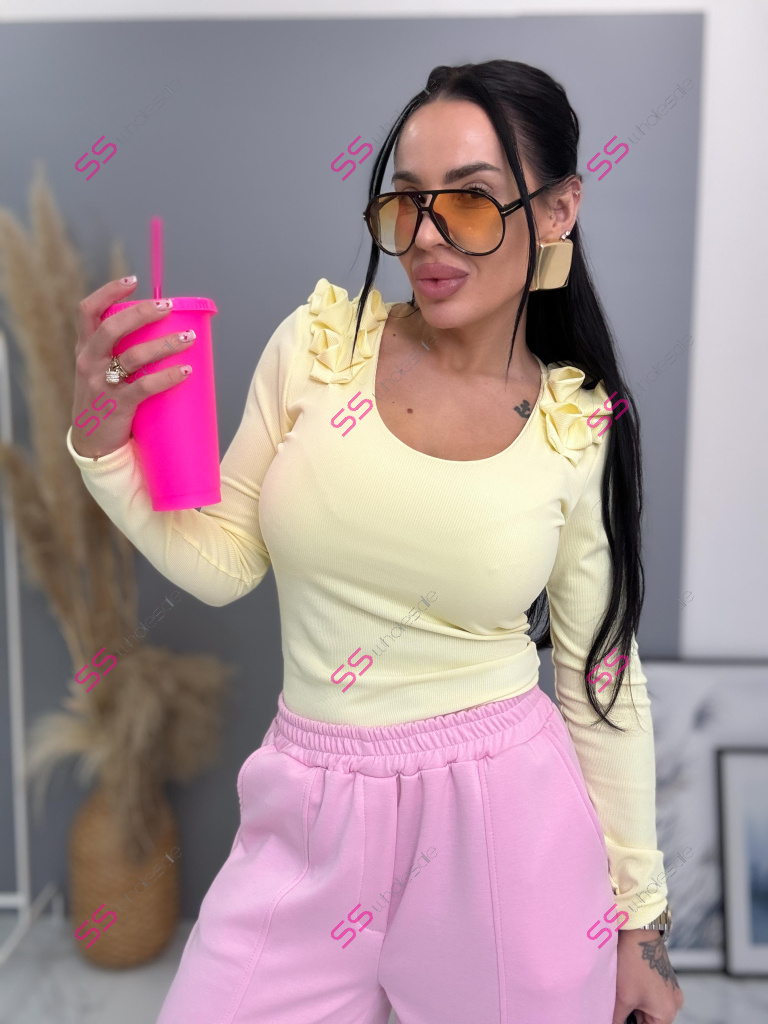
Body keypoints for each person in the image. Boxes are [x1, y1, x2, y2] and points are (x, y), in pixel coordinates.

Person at [67, 59, 684, 1024]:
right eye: (407, 201)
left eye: (470, 201)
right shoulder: (318, 347)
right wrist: (105, 448)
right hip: (309, 810)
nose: (426, 236)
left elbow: (601, 678)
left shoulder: (577, 425)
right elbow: (225, 562)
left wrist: (641, 925)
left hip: (502, 829)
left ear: (559, 208)